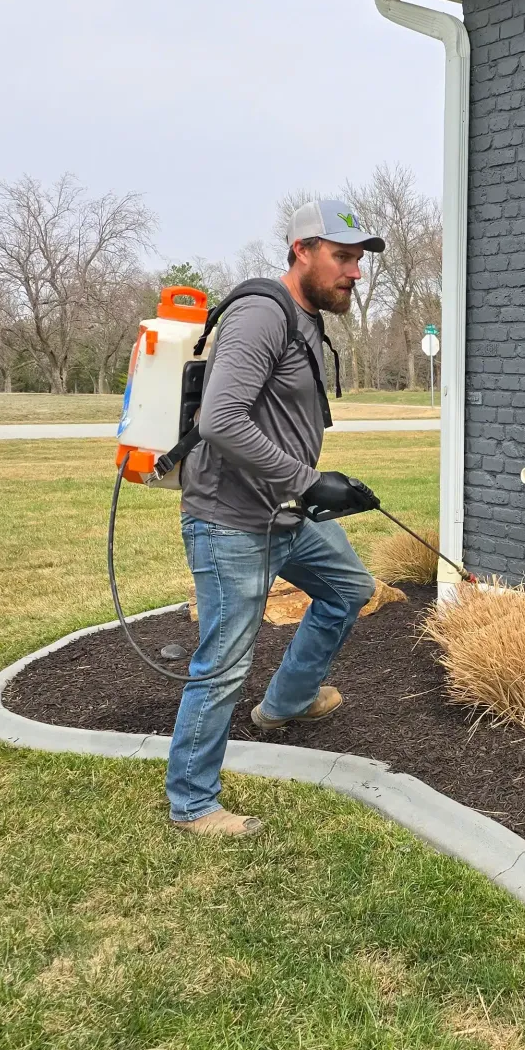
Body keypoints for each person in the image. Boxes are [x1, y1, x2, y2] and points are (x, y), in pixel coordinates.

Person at [166, 199, 383, 838]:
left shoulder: (308, 319)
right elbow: (220, 421)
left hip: (287, 512)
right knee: (224, 663)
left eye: (359, 260)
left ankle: (286, 702)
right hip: (231, 519)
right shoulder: (263, 315)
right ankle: (193, 802)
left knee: (349, 589)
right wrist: (310, 480)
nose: (355, 273)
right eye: (343, 258)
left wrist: (313, 488)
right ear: (301, 252)